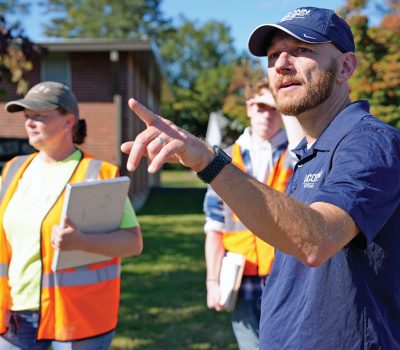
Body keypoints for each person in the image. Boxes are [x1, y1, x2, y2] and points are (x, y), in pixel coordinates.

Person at [121, 6, 400, 349]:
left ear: (345, 66)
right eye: (273, 55)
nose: (281, 64)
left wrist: (209, 162)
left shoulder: (369, 141)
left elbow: (317, 239)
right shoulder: (310, 150)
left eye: (302, 49)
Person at [0, 81, 143, 349]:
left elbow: (132, 242)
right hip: (16, 317)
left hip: (78, 321)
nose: (29, 122)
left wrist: (81, 241)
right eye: (27, 116)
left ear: (68, 122)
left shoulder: (98, 173)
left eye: (39, 115)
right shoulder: (12, 170)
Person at [203, 79, 303, 349]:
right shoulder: (225, 159)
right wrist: (213, 281)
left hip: (288, 273)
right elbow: (214, 226)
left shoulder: (298, 156)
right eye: (260, 106)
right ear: (249, 108)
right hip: (241, 275)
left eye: (273, 107)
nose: (266, 114)